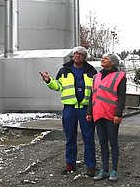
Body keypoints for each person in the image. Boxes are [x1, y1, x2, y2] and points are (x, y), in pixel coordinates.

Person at [39, 46, 97, 176]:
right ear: (72, 55)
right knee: (70, 137)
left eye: (81, 54)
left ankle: (91, 166)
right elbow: (58, 86)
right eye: (75, 53)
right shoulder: (64, 70)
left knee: (88, 138)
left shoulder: (91, 72)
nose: (77, 56)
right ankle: (70, 164)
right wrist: (48, 81)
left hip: (85, 109)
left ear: (85, 57)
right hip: (69, 109)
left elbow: (96, 89)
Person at [86, 53, 126, 182]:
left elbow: (121, 97)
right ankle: (104, 169)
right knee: (102, 142)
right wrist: (89, 112)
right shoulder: (96, 77)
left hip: (111, 114)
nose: (103, 59)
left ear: (113, 62)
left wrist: (118, 114)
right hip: (98, 113)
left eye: (106, 58)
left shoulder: (119, 77)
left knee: (113, 142)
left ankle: (114, 170)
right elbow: (92, 95)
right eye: (102, 58)